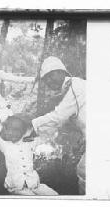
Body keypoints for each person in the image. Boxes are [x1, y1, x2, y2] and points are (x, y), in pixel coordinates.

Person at [31, 56, 86, 194]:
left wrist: (31, 124)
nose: (49, 81)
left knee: (84, 171)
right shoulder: (67, 89)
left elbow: (58, 117)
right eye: (46, 79)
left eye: (51, 75)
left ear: (62, 72)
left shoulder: (76, 86)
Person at [0, 115, 59, 195]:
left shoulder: (29, 143)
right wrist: (3, 124)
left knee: (54, 195)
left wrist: (32, 127)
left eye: (16, 130)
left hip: (33, 184)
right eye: (8, 129)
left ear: (23, 132)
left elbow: (48, 135)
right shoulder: (5, 145)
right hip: (17, 186)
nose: (11, 133)